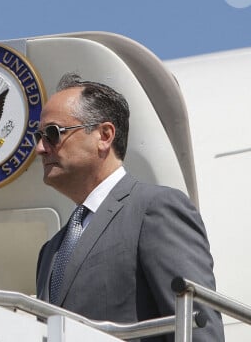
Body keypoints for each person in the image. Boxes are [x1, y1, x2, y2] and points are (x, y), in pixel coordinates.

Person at [34, 73, 224, 341]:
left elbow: (197, 327)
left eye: (53, 134)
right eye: (38, 136)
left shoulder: (155, 209)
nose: (40, 148)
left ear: (104, 135)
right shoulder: (51, 251)